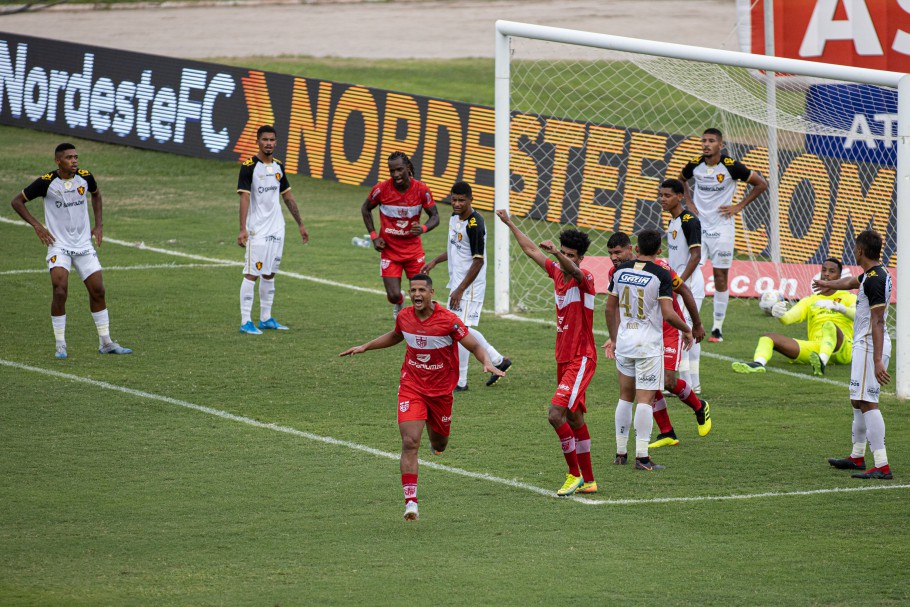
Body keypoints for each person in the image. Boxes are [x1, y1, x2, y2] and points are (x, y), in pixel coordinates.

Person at [339, 274, 503, 520]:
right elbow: (396, 335)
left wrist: (487, 362)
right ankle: (411, 502)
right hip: (412, 387)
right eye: (413, 290)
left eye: (421, 290)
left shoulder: (448, 320)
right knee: (409, 442)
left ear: (431, 293)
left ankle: (435, 442)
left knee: (440, 444)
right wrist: (366, 346)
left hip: (441, 393)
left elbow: (475, 346)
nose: (416, 294)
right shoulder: (404, 316)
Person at [496, 209, 598, 496]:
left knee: (555, 414)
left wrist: (555, 253)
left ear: (580, 258)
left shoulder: (585, 278)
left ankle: (573, 474)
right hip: (563, 358)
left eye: (571, 255)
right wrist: (510, 223)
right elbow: (530, 250)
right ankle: (589, 481)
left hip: (581, 357)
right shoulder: (556, 273)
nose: (565, 258)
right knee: (574, 418)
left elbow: (575, 271)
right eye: (563, 252)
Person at [11, 142, 132, 359]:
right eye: (69, 157)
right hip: (59, 245)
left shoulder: (85, 177)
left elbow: (96, 195)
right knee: (60, 290)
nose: (74, 161)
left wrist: (99, 225)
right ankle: (61, 346)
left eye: (76, 157)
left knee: (98, 290)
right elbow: (17, 202)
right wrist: (37, 226)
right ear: (58, 161)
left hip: (83, 245)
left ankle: (106, 342)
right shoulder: (46, 182)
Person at [604, 232, 710, 450]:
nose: (614, 257)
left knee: (667, 381)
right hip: (640, 335)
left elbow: (685, 291)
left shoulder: (662, 269)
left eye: (618, 252)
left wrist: (696, 325)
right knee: (647, 381)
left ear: (632, 249)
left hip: (668, 329)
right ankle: (667, 431)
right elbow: (620, 307)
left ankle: (700, 407)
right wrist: (616, 335)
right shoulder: (616, 273)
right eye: (610, 253)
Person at [814, 230, 893, 480]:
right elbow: (850, 282)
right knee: (857, 401)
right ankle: (857, 456)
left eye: (855, 248)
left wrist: (877, 360)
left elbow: (878, 320)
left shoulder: (875, 280)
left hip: (870, 345)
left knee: (868, 402)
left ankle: (882, 465)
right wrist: (829, 284)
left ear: (860, 250)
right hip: (865, 344)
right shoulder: (872, 274)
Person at [679, 128, 768, 343]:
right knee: (691, 273)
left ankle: (717, 328)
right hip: (699, 227)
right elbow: (680, 179)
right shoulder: (695, 164)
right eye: (704, 140)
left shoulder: (731, 166)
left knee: (720, 276)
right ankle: (686, 321)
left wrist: (739, 206)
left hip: (722, 228)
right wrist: (688, 202)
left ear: (721, 145)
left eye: (711, 141)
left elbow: (761, 184)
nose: (706, 144)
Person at [422, 181, 511, 391]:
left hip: (469, 286)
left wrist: (461, 289)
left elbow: (478, 261)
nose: (457, 204)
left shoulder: (475, 225)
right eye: (454, 199)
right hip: (458, 283)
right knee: (461, 327)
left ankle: (460, 381)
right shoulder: (454, 218)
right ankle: (498, 360)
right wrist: (435, 261)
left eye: (462, 200)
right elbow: (455, 248)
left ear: (471, 199)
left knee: (458, 329)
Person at [236, 125, 309, 334]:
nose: (268, 143)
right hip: (257, 230)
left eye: (271, 140)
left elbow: (287, 196)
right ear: (258, 141)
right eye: (265, 139)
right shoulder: (249, 166)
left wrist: (300, 223)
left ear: (276, 142)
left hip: (277, 229)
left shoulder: (278, 166)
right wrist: (243, 228)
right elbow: (245, 197)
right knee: (252, 273)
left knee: (270, 273)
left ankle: (266, 318)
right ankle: (245, 321)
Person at [732, 258, 855, 376]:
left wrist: (840, 308)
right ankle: (758, 364)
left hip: (842, 349)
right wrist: (780, 314)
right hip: (816, 348)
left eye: (832, 271)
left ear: (839, 277)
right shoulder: (809, 300)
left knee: (829, 325)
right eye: (824, 270)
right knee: (768, 337)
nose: (826, 274)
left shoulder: (849, 297)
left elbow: (858, 315)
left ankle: (822, 361)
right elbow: (789, 318)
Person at [361, 151, 440, 318]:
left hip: (413, 252)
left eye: (399, 169)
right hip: (390, 251)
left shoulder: (421, 189)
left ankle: (422, 324)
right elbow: (365, 209)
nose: (396, 174)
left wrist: (423, 228)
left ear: (408, 168)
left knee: (421, 295)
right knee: (393, 295)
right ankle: (400, 301)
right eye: (392, 171)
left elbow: (435, 216)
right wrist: (374, 237)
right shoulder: (381, 190)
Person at [659, 178, 705, 392]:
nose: (663, 199)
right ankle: (692, 384)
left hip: (690, 284)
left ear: (679, 196)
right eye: (661, 195)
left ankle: (687, 384)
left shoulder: (689, 221)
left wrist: (680, 283)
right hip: (681, 284)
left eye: (667, 195)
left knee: (683, 331)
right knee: (689, 332)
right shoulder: (673, 222)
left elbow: (696, 256)